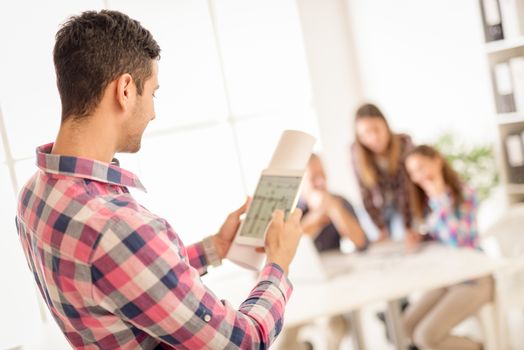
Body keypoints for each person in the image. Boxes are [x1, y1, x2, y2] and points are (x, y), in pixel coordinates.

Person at [15, 10, 304, 349]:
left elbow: (122, 278)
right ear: (125, 89)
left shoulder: (34, 193)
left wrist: (214, 249)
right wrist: (278, 263)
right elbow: (242, 342)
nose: (153, 111)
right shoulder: (116, 228)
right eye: (153, 93)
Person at [403, 145, 493, 350]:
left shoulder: (465, 194)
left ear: (437, 161)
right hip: (448, 278)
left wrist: (440, 199)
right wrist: (420, 239)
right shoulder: (427, 201)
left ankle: (480, 347)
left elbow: (460, 243)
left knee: (426, 337)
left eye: (421, 168)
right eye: (413, 173)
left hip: (474, 279)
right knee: (405, 325)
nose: (419, 177)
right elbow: (440, 240)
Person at [275, 154, 367, 350]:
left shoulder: (339, 201)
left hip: (333, 286)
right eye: (314, 177)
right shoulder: (289, 210)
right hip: (298, 291)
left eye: (323, 174)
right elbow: (281, 247)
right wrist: (314, 219)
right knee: (283, 343)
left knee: (335, 329)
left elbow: (360, 242)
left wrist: (333, 207)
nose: (321, 181)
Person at [351, 103, 414, 241]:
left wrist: (408, 225)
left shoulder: (404, 142)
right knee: (372, 239)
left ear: (386, 125)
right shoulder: (356, 152)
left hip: (402, 205)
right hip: (376, 208)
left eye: (376, 129)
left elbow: (407, 188)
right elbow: (364, 193)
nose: (373, 138)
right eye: (365, 134)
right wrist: (380, 227)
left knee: (401, 237)